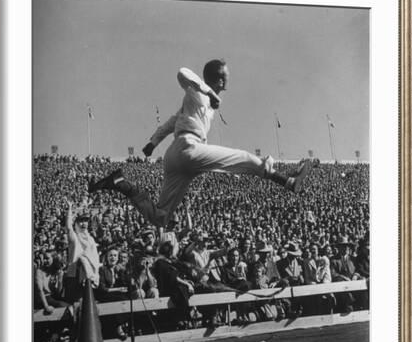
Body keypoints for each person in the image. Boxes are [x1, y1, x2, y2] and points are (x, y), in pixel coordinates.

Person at [88, 59, 314, 228]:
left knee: (161, 217)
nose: (228, 80)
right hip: (189, 149)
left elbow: (171, 121)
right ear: (220, 80)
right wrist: (208, 92)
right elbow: (182, 73)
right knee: (246, 158)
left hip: (175, 157)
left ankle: (120, 183)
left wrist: (153, 142)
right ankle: (289, 181)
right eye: (226, 76)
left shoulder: (197, 103)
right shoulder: (199, 94)